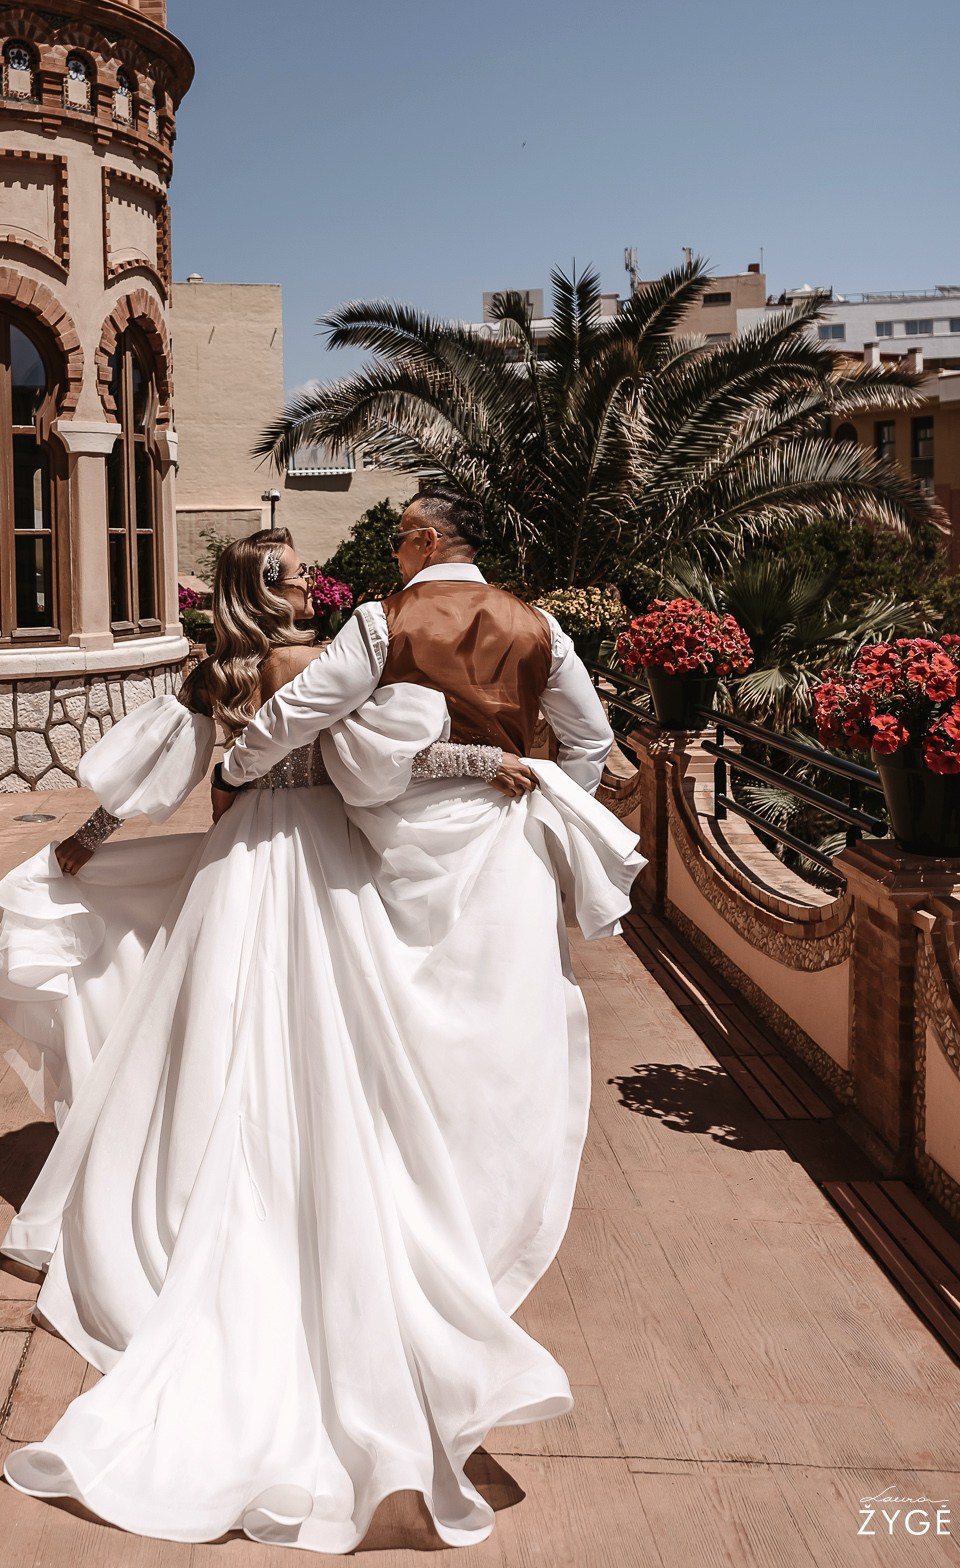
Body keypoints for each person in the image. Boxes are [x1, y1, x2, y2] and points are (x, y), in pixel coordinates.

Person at [0, 521, 641, 1552]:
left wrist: (84, 841)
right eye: (287, 575)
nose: (308, 583)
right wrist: (499, 770)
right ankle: (315, 1183)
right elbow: (385, 758)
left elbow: (151, 783)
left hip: (242, 853)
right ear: (259, 587)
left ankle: (201, 1183)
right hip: (330, 854)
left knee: (214, 1028)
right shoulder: (333, 654)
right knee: (335, 1035)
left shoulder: (221, 672)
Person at [214, 488, 633, 1309]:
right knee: (503, 1028)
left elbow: (298, 712)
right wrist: (551, 810)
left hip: (401, 844)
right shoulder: (539, 627)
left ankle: (406, 1208)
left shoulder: (382, 623)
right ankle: (488, 1222)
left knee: (406, 1025)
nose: (393, 554)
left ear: (427, 540)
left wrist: (234, 769)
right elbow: (590, 741)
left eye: (400, 539)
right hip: (506, 843)